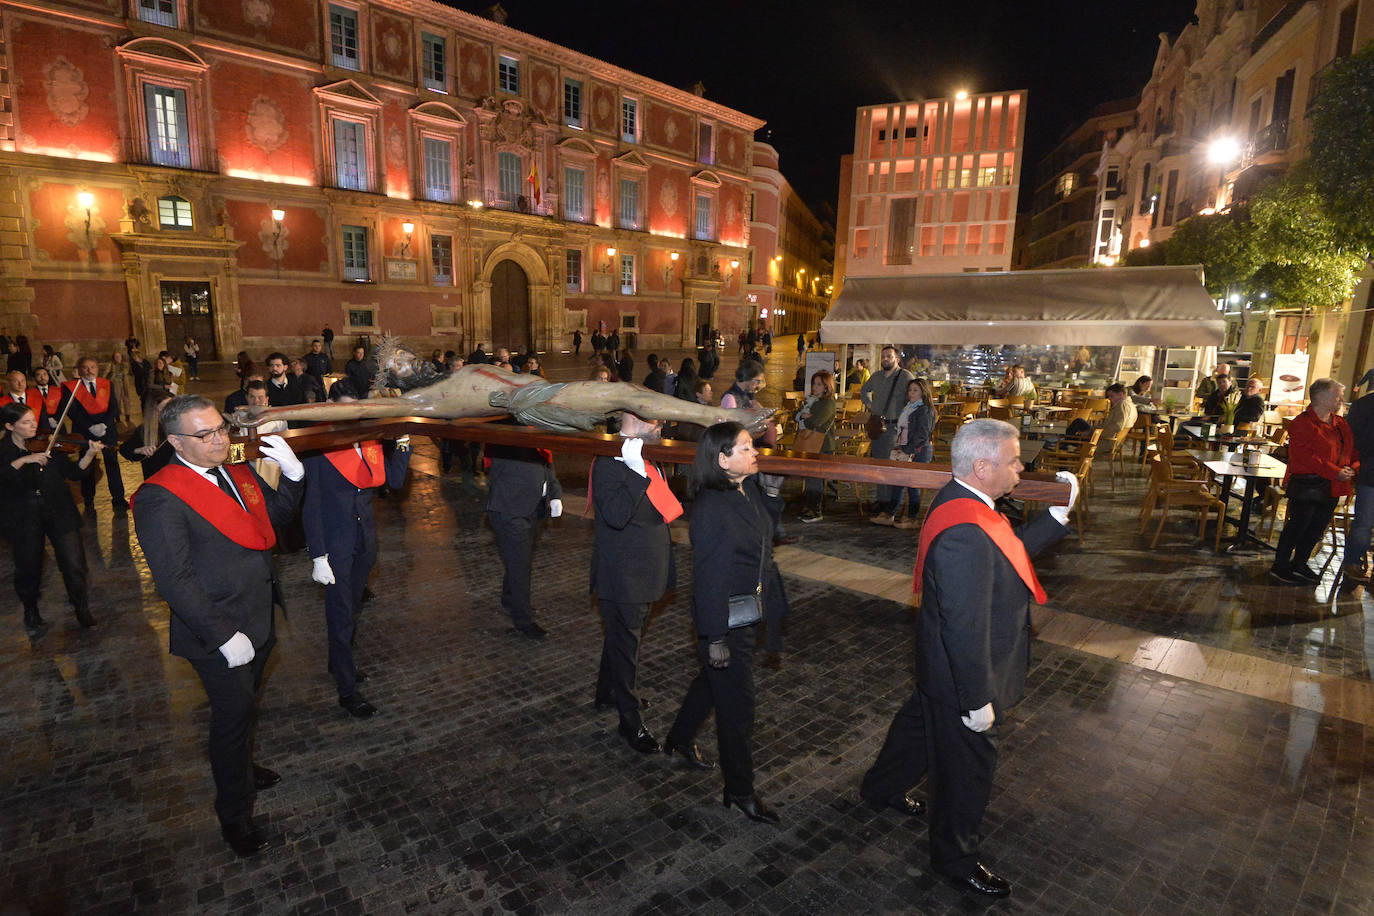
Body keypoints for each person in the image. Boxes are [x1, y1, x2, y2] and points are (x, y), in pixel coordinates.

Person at [861, 419, 1075, 898]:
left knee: (918, 726)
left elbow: (1004, 551)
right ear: (982, 467)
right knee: (966, 768)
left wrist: (1056, 520)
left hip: (939, 667)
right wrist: (977, 698)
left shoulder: (961, 503)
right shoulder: (966, 530)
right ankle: (955, 857)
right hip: (962, 675)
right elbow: (965, 624)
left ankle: (881, 788)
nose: (1022, 468)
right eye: (1014, 461)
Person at [132, 395, 305, 857]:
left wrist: (293, 474)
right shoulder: (159, 496)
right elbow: (175, 579)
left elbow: (278, 519)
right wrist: (223, 635)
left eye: (220, 429)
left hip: (259, 615)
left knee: (248, 705)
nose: (219, 441)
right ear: (175, 442)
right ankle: (235, 816)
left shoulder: (237, 471)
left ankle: (245, 768)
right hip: (219, 633)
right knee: (231, 721)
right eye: (204, 434)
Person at [664, 421, 784, 822]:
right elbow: (709, 578)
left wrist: (771, 491)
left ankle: (678, 738)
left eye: (753, 447)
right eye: (747, 448)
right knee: (738, 710)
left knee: (712, 684)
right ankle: (740, 790)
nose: (756, 453)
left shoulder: (744, 488)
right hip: (725, 624)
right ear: (722, 459)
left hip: (746, 614)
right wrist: (714, 636)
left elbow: (769, 532)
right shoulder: (712, 509)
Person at [302, 379, 411, 718]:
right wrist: (317, 555)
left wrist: (404, 445)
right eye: (345, 410)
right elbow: (312, 504)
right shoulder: (318, 446)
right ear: (331, 407)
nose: (352, 417)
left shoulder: (369, 438)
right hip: (335, 546)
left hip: (365, 542)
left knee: (350, 611)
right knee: (339, 616)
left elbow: (392, 481)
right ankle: (347, 691)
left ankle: (339, 663)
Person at [590, 410, 681, 756]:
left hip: (648, 567)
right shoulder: (611, 461)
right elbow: (614, 516)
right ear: (630, 416)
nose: (660, 423)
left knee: (623, 635)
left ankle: (607, 692)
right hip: (624, 574)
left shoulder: (647, 456)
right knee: (627, 645)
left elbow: (664, 511)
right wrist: (633, 471)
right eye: (653, 418)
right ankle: (630, 722)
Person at [0, 403, 102, 632]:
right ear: (9, 426)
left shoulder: (49, 444)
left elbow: (74, 473)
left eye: (33, 420)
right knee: (29, 566)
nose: (33, 425)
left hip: (59, 509)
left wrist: (89, 453)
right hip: (24, 515)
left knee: (74, 562)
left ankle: (81, 607)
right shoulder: (4, 451)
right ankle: (31, 610)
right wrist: (24, 460)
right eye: (26, 422)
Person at [1270, 379, 1356, 585]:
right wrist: (1336, 472)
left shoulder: (1340, 424)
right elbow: (1306, 456)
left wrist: (1352, 467)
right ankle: (1280, 565)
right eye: (1337, 396)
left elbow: (1351, 449)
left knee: (1316, 528)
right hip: (1308, 484)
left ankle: (1300, 562)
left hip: (1334, 485)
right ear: (1320, 397)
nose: (1341, 400)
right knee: (1298, 526)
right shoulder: (1302, 423)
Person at [484, 430, 562, 639]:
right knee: (520, 565)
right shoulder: (505, 432)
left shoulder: (537, 431)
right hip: (509, 509)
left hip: (534, 507)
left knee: (521, 558)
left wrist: (555, 494)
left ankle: (510, 599)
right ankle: (523, 621)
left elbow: (546, 461)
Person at [62, 356, 127, 513]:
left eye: (92, 366)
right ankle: (88, 499)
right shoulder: (72, 387)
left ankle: (118, 499)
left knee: (112, 463)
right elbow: (72, 411)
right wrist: (90, 426)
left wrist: (103, 424)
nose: (89, 370)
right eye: (85, 367)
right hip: (85, 432)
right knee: (88, 464)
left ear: (98, 369)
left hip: (107, 430)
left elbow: (114, 407)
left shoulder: (107, 384)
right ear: (79, 370)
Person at [861, 346, 915, 523]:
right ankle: (882, 501)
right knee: (878, 465)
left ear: (897, 359)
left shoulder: (905, 377)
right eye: (883, 356)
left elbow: (914, 398)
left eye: (889, 356)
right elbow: (863, 391)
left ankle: (890, 506)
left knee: (890, 465)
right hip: (877, 427)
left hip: (894, 428)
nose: (885, 359)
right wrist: (871, 406)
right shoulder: (876, 376)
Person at [876, 378, 936, 529]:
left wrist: (908, 450)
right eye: (910, 390)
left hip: (918, 451)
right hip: (905, 448)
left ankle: (912, 517)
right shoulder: (909, 407)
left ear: (923, 392)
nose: (911, 393)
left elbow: (922, 435)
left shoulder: (925, 410)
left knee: (912, 484)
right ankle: (890, 513)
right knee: (898, 482)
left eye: (915, 390)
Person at [797, 370, 837, 523]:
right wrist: (804, 416)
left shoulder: (827, 403)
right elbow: (798, 413)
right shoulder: (812, 400)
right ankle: (810, 506)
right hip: (810, 442)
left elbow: (816, 422)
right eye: (814, 383)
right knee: (810, 476)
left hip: (822, 444)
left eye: (819, 384)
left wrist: (806, 418)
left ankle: (816, 509)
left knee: (815, 477)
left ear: (827, 386)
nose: (815, 387)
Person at [1343, 381, 1374, 583]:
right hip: (1371, 471)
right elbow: (1353, 438)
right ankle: (1352, 562)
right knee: (1364, 521)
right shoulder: (1365, 405)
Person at [1100, 382, 1138, 449]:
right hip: (1116, 441)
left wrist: (1097, 432)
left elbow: (1118, 426)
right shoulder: (1131, 405)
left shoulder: (1121, 405)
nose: (1109, 399)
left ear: (1121, 395)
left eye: (1112, 396)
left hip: (1106, 441)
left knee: (1079, 425)